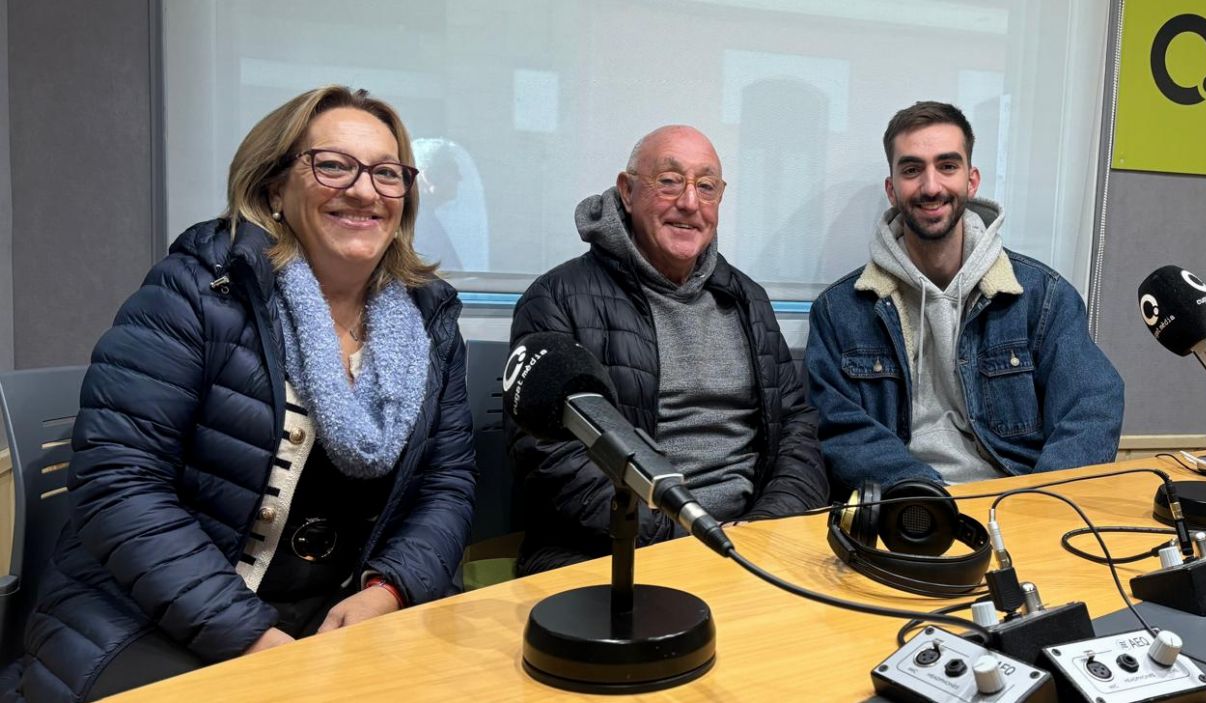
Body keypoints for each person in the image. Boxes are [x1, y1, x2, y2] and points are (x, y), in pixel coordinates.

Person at [2, 86, 476, 702]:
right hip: (155, 615)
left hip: (342, 615)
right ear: (274, 187)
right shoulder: (198, 291)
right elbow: (119, 482)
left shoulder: (428, 322)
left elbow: (448, 485)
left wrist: (389, 592)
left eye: (388, 173)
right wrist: (249, 636)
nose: (365, 191)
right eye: (332, 165)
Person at [509, 125, 829, 575]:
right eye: (669, 181)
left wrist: (763, 528)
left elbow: (795, 427)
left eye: (706, 186)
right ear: (627, 190)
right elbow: (550, 459)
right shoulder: (558, 299)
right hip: (615, 551)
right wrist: (687, 541)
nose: (689, 203)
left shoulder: (747, 300)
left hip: (750, 545)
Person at [805, 101, 1124, 494]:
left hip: (1018, 504)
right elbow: (841, 432)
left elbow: (1092, 405)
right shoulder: (839, 312)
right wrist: (928, 498)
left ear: (972, 181)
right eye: (911, 169)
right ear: (892, 189)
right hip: (904, 508)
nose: (931, 186)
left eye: (947, 166)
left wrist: (1043, 504)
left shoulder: (1042, 297)